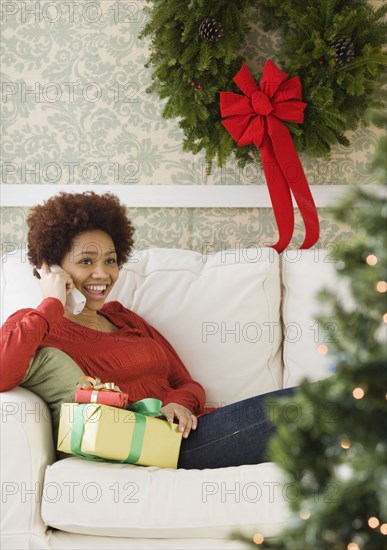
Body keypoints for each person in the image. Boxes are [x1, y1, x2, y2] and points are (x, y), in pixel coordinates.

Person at [0, 191, 294, 469]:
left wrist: (177, 403)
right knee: (314, 406)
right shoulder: (36, 324)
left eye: (110, 260)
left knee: (317, 406)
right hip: (157, 446)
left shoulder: (125, 319)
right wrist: (52, 302)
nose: (103, 274)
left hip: (193, 432)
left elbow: (187, 383)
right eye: (86, 261)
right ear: (53, 266)